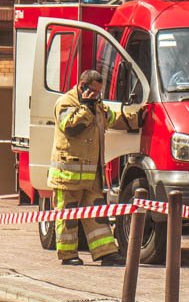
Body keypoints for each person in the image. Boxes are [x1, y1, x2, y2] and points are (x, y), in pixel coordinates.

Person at [48, 69, 143, 266]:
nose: (98, 96)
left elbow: (113, 119)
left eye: (100, 92)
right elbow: (70, 127)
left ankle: (105, 253)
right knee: (68, 217)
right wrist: (85, 107)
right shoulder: (66, 102)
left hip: (92, 176)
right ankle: (68, 255)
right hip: (67, 176)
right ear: (83, 86)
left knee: (97, 215)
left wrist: (137, 119)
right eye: (94, 91)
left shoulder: (96, 105)